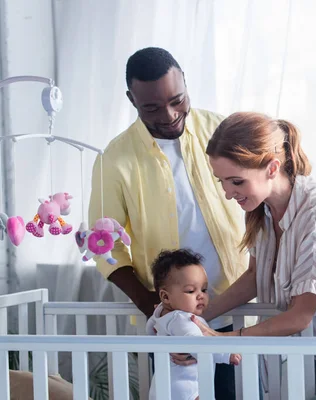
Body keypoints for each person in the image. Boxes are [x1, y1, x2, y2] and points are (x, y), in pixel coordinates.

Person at [171, 111, 316, 397]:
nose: (228, 193)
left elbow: (300, 316)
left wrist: (223, 340)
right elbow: (255, 276)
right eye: (222, 182)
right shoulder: (263, 210)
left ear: (271, 167)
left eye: (236, 182)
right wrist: (199, 319)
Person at [88, 47, 246, 399]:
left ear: (186, 83)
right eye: (152, 108)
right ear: (132, 100)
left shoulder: (222, 131)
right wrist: (157, 312)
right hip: (175, 325)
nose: (170, 115)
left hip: (239, 308)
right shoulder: (115, 159)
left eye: (177, 100)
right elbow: (104, 248)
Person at [146, 249, 241, 400]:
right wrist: (227, 354)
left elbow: (150, 330)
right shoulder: (183, 319)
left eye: (204, 289)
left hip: (163, 385)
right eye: (190, 291)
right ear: (165, 296)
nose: (200, 295)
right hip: (187, 388)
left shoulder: (160, 314)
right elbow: (199, 344)